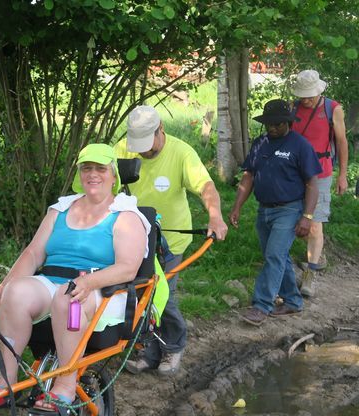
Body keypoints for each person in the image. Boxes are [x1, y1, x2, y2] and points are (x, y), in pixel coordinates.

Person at [0, 143, 161, 410]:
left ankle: (65, 385)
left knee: (69, 298)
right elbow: (33, 254)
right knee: (15, 293)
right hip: (54, 282)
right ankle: (4, 382)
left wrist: (89, 282)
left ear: (113, 175)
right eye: (87, 168)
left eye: (101, 168)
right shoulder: (61, 209)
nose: (93, 174)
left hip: (102, 288)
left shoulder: (125, 214)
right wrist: (3, 286)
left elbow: (127, 267)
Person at [114, 106, 228, 376]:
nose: (141, 152)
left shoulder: (181, 153)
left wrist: (215, 217)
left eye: (146, 145)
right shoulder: (121, 149)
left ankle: (174, 346)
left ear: (160, 129)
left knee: (162, 296)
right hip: (133, 238)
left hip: (170, 242)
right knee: (139, 294)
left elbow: (206, 187)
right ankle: (149, 351)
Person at [229, 99, 321, 326]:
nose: (272, 127)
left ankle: (261, 306)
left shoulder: (300, 145)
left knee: (274, 256)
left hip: (290, 209)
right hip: (264, 211)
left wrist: (307, 217)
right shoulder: (260, 143)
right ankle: (292, 301)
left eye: (277, 124)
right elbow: (249, 175)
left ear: (288, 123)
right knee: (278, 257)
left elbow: (312, 182)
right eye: (269, 123)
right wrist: (237, 206)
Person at [290, 70, 349, 297]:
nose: (306, 99)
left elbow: (342, 143)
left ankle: (309, 276)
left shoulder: (332, 109)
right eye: (303, 95)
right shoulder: (292, 108)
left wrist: (342, 175)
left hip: (321, 173)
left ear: (318, 90)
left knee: (314, 223)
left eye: (310, 95)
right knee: (295, 219)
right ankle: (316, 253)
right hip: (294, 174)